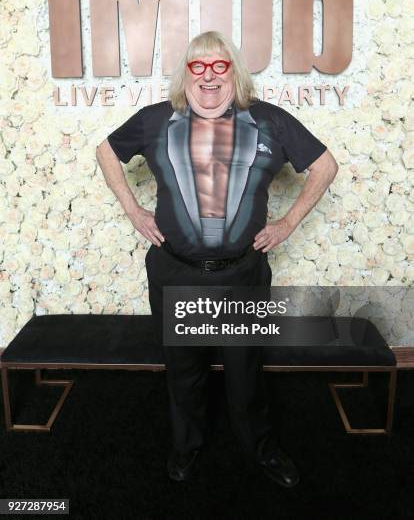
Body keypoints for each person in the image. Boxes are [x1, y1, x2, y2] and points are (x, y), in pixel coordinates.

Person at [96, 30, 338, 488]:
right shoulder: (155, 121)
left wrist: (288, 224)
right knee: (184, 371)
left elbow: (326, 166)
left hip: (242, 275)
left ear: (235, 74)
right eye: (198, 67)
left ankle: (262, 451)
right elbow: (105, 151)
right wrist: (132, 208)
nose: (209, 76)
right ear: (185, 75)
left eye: (220, 66)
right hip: (175, 273)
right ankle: (186, 448)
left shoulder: (269, 121)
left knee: (246, 372)